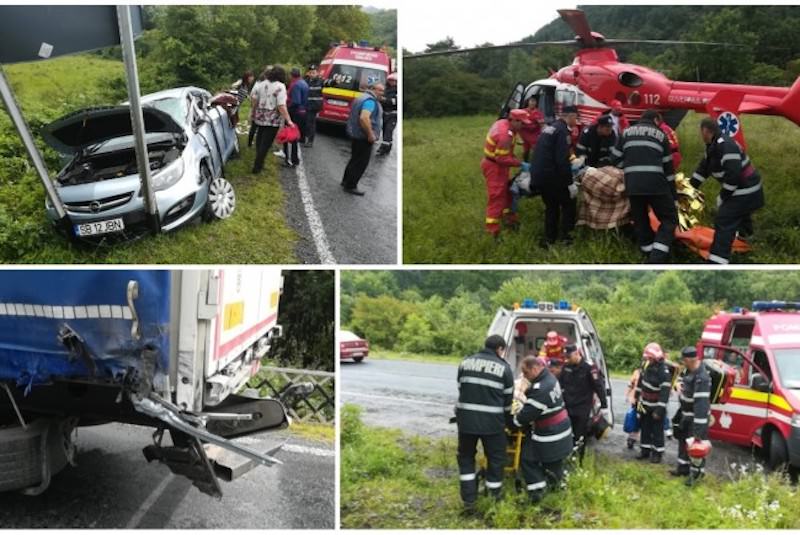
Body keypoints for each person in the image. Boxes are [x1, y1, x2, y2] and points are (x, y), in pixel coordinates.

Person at [690, 117, 764, 264]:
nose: (701, 135)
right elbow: (703, 169)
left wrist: (723, 197)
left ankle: (717, 260)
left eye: (701, 132)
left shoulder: (726, 146)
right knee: (739, 212)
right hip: (745, 190)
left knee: (724, 218)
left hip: (746, 190)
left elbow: (733, 176)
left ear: (705, 130)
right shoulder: (713, 145)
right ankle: (745, 238)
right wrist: (690, 188)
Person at [455, 335, 515, 511]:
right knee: (496, 459)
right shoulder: (504, 369)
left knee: (466, 458)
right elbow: (507, 402)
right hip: (492, 424)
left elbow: (461, 389)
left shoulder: (465, 363)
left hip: (466, 422)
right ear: (500, 349)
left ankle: (469, 501)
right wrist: (508, 421)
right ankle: (494, 497)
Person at [610, 109, 676, 263]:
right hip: (656, 185)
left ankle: (647, 252)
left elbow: (614, 159)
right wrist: (673, 195)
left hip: (633, 186)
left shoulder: (625, 133)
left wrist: (630, 171)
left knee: (641, 220)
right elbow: (669, 169)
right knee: (669, 219)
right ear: (656, 120)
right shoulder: (661, 135)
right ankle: (657, 258)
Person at [513, 356, 573, 503]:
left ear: (535, 369)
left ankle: (537, 492)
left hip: (550, 434)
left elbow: (524, 417)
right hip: (561, 430)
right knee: (554, 464)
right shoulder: (550, 378)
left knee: (527, 458)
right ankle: (558, 488)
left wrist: (514, 420)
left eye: (526, 373)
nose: (524, 377)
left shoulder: (540, 389)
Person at [532, 105, 578, 247]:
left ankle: (548, 239)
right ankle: (567, 238)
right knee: (569, 204)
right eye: (576, 118)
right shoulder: (562, 131)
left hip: (540, 176)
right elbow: (561, 160)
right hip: (553, 176)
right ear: (570, 116)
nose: (576, 121)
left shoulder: (549, 128)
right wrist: (569, 182)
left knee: (551, 207)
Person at [481, 109, 529, 238]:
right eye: (522, 123)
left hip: (496, 165)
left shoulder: (504, 123)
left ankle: (509, 218)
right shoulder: (505, 136)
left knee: (506, 192)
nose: (523, 126)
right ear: (513, 120)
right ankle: (492, 231)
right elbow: (502, 159)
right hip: (495, 167)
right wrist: (521, 164)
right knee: (496, 197)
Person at [558, 343, 608, 463]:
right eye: (566, 357)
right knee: (567, 434)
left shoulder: (589, 368)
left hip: (582, 408)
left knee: (580, 435)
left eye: (569, 357)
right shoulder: (566, 367)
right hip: (568, 406)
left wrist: (604, 405)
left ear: (576, 354)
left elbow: (598, 387)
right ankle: (567, 458)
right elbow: (560, 384)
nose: (567, 359)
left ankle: (578, 461)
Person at [670, 346, 711, 486]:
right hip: (685, 415)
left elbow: (701, 405)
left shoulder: (702, 378)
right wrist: (678, 385)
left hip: (696, 419)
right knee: (683, 442)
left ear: (688, 360)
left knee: (696, 446)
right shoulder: (689, 370)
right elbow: (682, 381)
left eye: (683, 360)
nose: (682, 363)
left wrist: (698, 430)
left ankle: (696, 474)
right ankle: (682, 469)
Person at [341, 82, 384, 196]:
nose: (382, 93)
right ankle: (351, 185)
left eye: (382, 91)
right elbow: (364, 118)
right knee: (361, 162)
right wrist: (370, 134)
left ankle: (345, 181)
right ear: (373, 89)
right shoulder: (370, 101)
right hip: (363, 136)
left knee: (354, 158)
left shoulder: (361, 97)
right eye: (380, 90)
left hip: (356, 133)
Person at [634, 342, 673, 464]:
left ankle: (657, 453)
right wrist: (636, 398)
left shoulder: (663, 371)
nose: (647, 359)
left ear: (655, 357)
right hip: (644, 403)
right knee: (644, 427)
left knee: (657, 430)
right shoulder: (646, 365)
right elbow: (640, 383)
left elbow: (665, 393)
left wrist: (659, 410)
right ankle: (645, 450)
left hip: (656, 406)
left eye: (649, 358)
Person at [250, 66, 293, 174]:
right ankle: (257, 166)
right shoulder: (280, 87)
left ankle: (258, 162)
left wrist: (253, 112)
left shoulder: (262, 84)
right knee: (266, 144)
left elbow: (255, 99)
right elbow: (281, 105)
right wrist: (288, 120)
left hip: (260, 115)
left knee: (260, 140)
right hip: (272, 118)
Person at [284, 67, 308, 168]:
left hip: (295, 113)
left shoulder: (296, 85)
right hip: (303, 112)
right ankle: (294, 159)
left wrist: (287, 109)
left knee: (290, 135)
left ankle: (290, 159)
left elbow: (296, 101)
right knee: (295, 136)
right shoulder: (304, 83)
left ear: (292, 75)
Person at [376, 73, 398, 156]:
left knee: (388, 130)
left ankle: (383, 148)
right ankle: (388, 146)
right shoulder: (386, 89)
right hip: (384, 113)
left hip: (393, 114)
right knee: (385, 130)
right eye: (390, 80)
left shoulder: (397, 91)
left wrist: (384, 100)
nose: (391, 82)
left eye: (393, 81)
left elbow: (394, 102)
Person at [519, 96, 545, 162]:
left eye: (534, 101)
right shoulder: (523, 111)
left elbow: (542, 124)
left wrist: (543, 134)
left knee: (536, 149)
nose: (532, 103)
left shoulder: (538, 113)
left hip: (534, 135)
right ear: (528, 102)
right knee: (526, 149)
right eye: (531, 101)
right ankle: (525, 162)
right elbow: (518, 123)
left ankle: (536, 162)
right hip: (524, 134)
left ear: (536, 103)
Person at [304, 64, 324, 148]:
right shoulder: (306, 80)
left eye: (314, 72)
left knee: (311, 123)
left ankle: (310, 141)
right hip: (307, 105)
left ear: (317, 73)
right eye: (311, 72)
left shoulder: (320, 81)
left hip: (314, 106)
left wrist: (335, 81)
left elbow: (329, 82)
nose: (312, 74)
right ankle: (303, 137)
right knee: (305, 122)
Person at [624, 367, 642, 449]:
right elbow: (631, 384)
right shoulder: (637, 372)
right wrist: (627, 395)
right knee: (636, 418)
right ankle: (632, 438)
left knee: (644, 420)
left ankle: (641, 438)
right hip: (636, 400)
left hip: (648, 401)